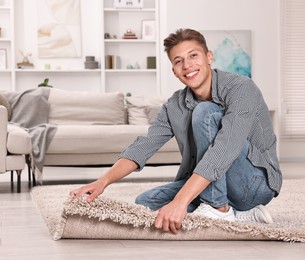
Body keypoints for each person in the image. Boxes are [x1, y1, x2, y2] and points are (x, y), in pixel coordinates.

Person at [70, 28, 282, 234]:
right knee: (146, 203)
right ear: (174, 70)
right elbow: (145, 146)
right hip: (217, 182)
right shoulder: (175, 105)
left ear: (209, 57)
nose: (187, 65)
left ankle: (216, 208)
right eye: (178, 61)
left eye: (193, 55)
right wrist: (102, 182)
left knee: (205, 112)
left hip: (254, 183)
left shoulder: (241, 88)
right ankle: (238, 214)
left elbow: (225, 149)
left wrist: (181, 201)